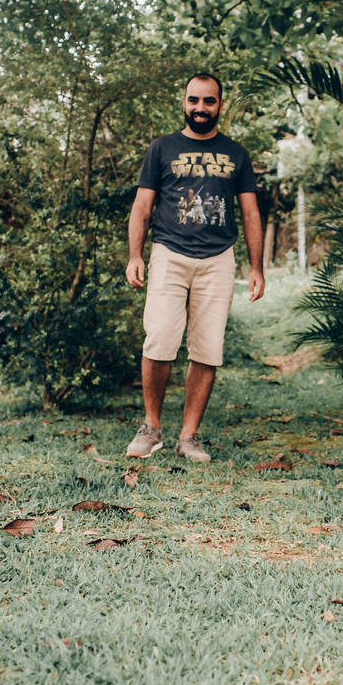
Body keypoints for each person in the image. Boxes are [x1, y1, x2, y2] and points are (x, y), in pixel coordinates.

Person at [124, 73, 265, 462]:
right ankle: (151, 427)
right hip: (169, 253)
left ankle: (189, 437)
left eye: (209, 101)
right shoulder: (162, 148)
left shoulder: (236, 154)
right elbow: (142, 206)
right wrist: (135, 255)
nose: (200, 108)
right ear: (184, 102)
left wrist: (257, 267)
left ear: (220, 105)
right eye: (194, 100)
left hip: (218, 259)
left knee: (207, 349)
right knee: (159, 339)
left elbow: (251, 213)